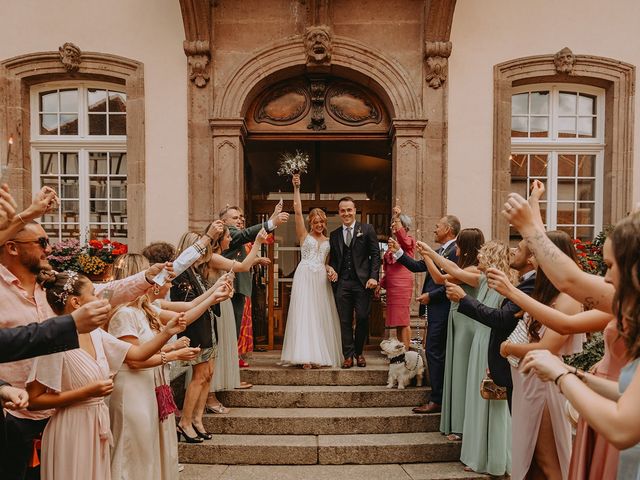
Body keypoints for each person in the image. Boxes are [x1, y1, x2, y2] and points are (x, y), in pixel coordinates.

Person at [0, 220, 170, 480]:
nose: (48, 249)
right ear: (12, 247)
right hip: (15, 412)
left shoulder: (51, 292)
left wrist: (146, 277)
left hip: (66, 419)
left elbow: (110, 292)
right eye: (42, 242)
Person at [505, 194, 640, 479]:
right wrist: (574, 374)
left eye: (611, 266)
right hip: (604, 408)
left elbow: (569, 282)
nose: (605, 279)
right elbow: (626, 393)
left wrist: (561, 376)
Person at [25, 270, 189, 480]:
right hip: (71, 428)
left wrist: (167, 332)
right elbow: (34, 399)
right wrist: (86, 393)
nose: (100, 299)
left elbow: (137, 354)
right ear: (76, 302)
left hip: (98, 424)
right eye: (93, 294)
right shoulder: (53, 340)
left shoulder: (96, 333)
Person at [108, 253, 230, 478]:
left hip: (150, 386)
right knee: (133, 451)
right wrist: (173, 355)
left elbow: (186, 315)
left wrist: (213, 297)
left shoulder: (145, 308)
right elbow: (134, 360)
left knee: (148, 449)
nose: (157, 277)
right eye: (150, 272)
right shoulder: (124, 314)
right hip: (132, 390)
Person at [495, 231, 584, 480]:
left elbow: (548, 347)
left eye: (538, 254)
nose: (533, 259)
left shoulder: (568, 299)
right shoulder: (545, 293)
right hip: (527, 382)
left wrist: (509, 349)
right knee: (529, 458)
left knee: (547, 459)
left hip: (544, 384)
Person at [446, 237, 537, 408]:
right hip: (491, 345)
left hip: (508, 351)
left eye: (517, 249)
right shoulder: (516, 282)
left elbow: (502, 318)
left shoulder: (523, 284)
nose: (512, 251)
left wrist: (464, 298)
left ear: (531, 258)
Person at [413, 228, 484, 440]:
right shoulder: (465, 267)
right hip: (457, 323)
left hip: (466, 325)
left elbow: (448, 273)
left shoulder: (475, 270)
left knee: (462, 372)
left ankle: (463, 427)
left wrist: (430, 254)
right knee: (454, 371)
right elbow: (438, 276)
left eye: (460, 244)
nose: (457, 248)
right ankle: (457, 423)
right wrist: (426, 254)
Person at [392, 215, 460, 413]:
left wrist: (431, 295)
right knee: (433, 351)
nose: (434, 229)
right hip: (435, 310)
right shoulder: (439, 251)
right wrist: (398, 253)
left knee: (434, 351)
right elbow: (418, 266)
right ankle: (439, 395)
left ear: (448, 229)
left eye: (438, 226)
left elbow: (453, 281)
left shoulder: (456, 251)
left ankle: (437, 398)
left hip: (444, 308)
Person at [280, 174, 343, 368]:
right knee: (304, 313)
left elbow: (326, 261)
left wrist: (329, 268)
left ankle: (318, 355)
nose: (319, 225)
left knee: (318, 315)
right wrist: (297, 188)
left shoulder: (329, 241)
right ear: (311, 223)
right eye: (316, 222)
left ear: (325, 222)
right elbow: (297, 211)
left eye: (322, 222)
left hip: (320, 279)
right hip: (305, 276)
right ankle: (304, 355)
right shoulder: (303, 235)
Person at [204, 226, 268, 395]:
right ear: (219, 239)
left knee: (225, 344)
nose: (231, 239)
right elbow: (243, 266)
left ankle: (224, 382)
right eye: (228, 237)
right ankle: (211, 393)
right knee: (218, 348)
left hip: (223, 304)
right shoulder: (214, 257)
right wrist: (258, 243)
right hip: (217, 306)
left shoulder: (220, 256)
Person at [327, 196, 381, 368]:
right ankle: (348, 355)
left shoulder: (367, 229)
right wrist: (332, 270)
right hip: (342, 283)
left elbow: (375, 256)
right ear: (339, 213)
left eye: (349, 210)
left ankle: (359, 352)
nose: (346, 213)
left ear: (355, 210)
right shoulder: (334, 235)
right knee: (344, 320)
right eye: (343, 210)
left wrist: (374, 276)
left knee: (363, 318)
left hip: (362, 283)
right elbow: (335, 259)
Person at [219, 205, 287, 339]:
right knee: (230, 332)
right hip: (231, 288)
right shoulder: (228, 234)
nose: (239, 220)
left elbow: (253, 235)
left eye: (240, 217)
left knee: (234, 331)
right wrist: (272, 222)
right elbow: (246, 234)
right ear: (224, 221)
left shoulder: (235, 234)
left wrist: (273, 216)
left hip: (236, 289)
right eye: (234, 218)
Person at [379, 205, 415, 349]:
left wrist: (397, 216)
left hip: (402, 286)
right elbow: (387, 268)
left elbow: (402, 237)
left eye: (396, 223)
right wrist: (381, 284)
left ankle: (407, 353)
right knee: (399, 322)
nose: (393, 225)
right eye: (392, 223)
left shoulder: (409, 242)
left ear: (404, 226)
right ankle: (402, 350)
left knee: (404, 320)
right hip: (392, 287)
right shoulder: (392, 244)